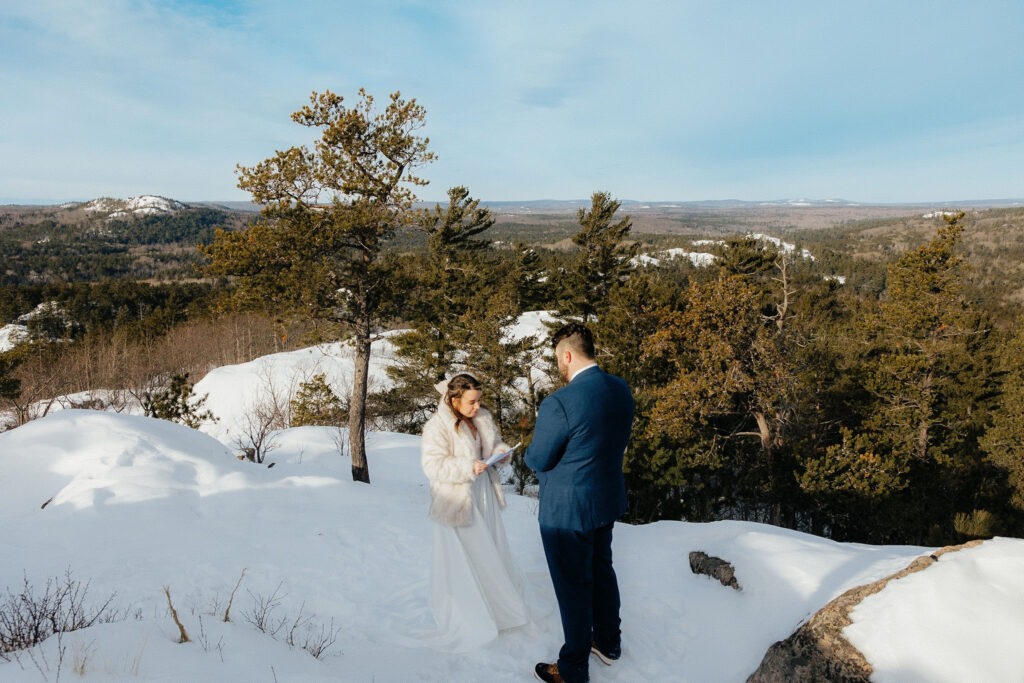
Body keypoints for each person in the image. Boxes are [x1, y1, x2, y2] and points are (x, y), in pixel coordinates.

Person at [526, 323, 634, 683]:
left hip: (567, 511)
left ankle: (572, 669)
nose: (558, 365)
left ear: (567, 355)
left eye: (558, 358)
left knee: (574, 586)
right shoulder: (620, 388)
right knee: (602, 571)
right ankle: (608, 642)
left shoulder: (560, 402)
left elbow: (538, 458)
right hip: (605, 499)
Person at [420, 373, 529, 651]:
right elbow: (432, 466)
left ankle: (497, 606)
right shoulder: (437, 426)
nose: (477, 407)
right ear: (454, 399)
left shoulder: (481, 418)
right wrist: (468, 467)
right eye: (471, 402)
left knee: (489, 550)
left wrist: (501, 454)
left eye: (479, 400)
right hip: (457, 499)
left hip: (483, 495)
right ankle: (470, 613)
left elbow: (493, 446)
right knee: (467, 557)